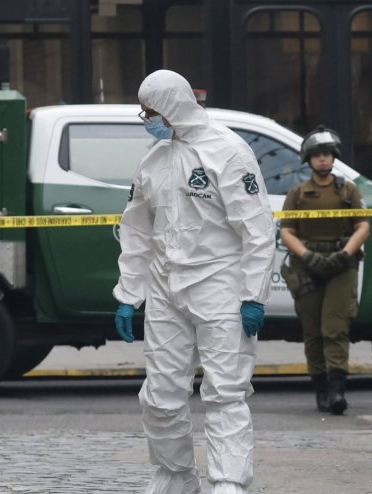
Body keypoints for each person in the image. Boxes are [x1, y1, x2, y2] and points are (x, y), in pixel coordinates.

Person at [113, 69, 275, 494]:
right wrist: (130, 294)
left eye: (150, 111)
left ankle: (228, 481)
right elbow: (136, 231)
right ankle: (175, 476)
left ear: (173, 107)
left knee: (225, 393)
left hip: (220, 285)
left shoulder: (228, 152)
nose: (146, 119)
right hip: (166, 291)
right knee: (160, 396)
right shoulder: (154, 160)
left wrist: (252, 295)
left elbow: (257, 229)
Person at [279, 126, 370, 415]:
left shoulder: (347, 190)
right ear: (309, 159)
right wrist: (308, 255)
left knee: (336, 328)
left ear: (334, 158)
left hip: (341, 265)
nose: (322, 160)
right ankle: (321, 388)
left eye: (327, 155)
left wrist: (345, 253)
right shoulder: (297, 193)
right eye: (317, 155)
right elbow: (287, 231)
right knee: (313, 331)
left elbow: (363, 226)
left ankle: (337, 390)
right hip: (307, 266)